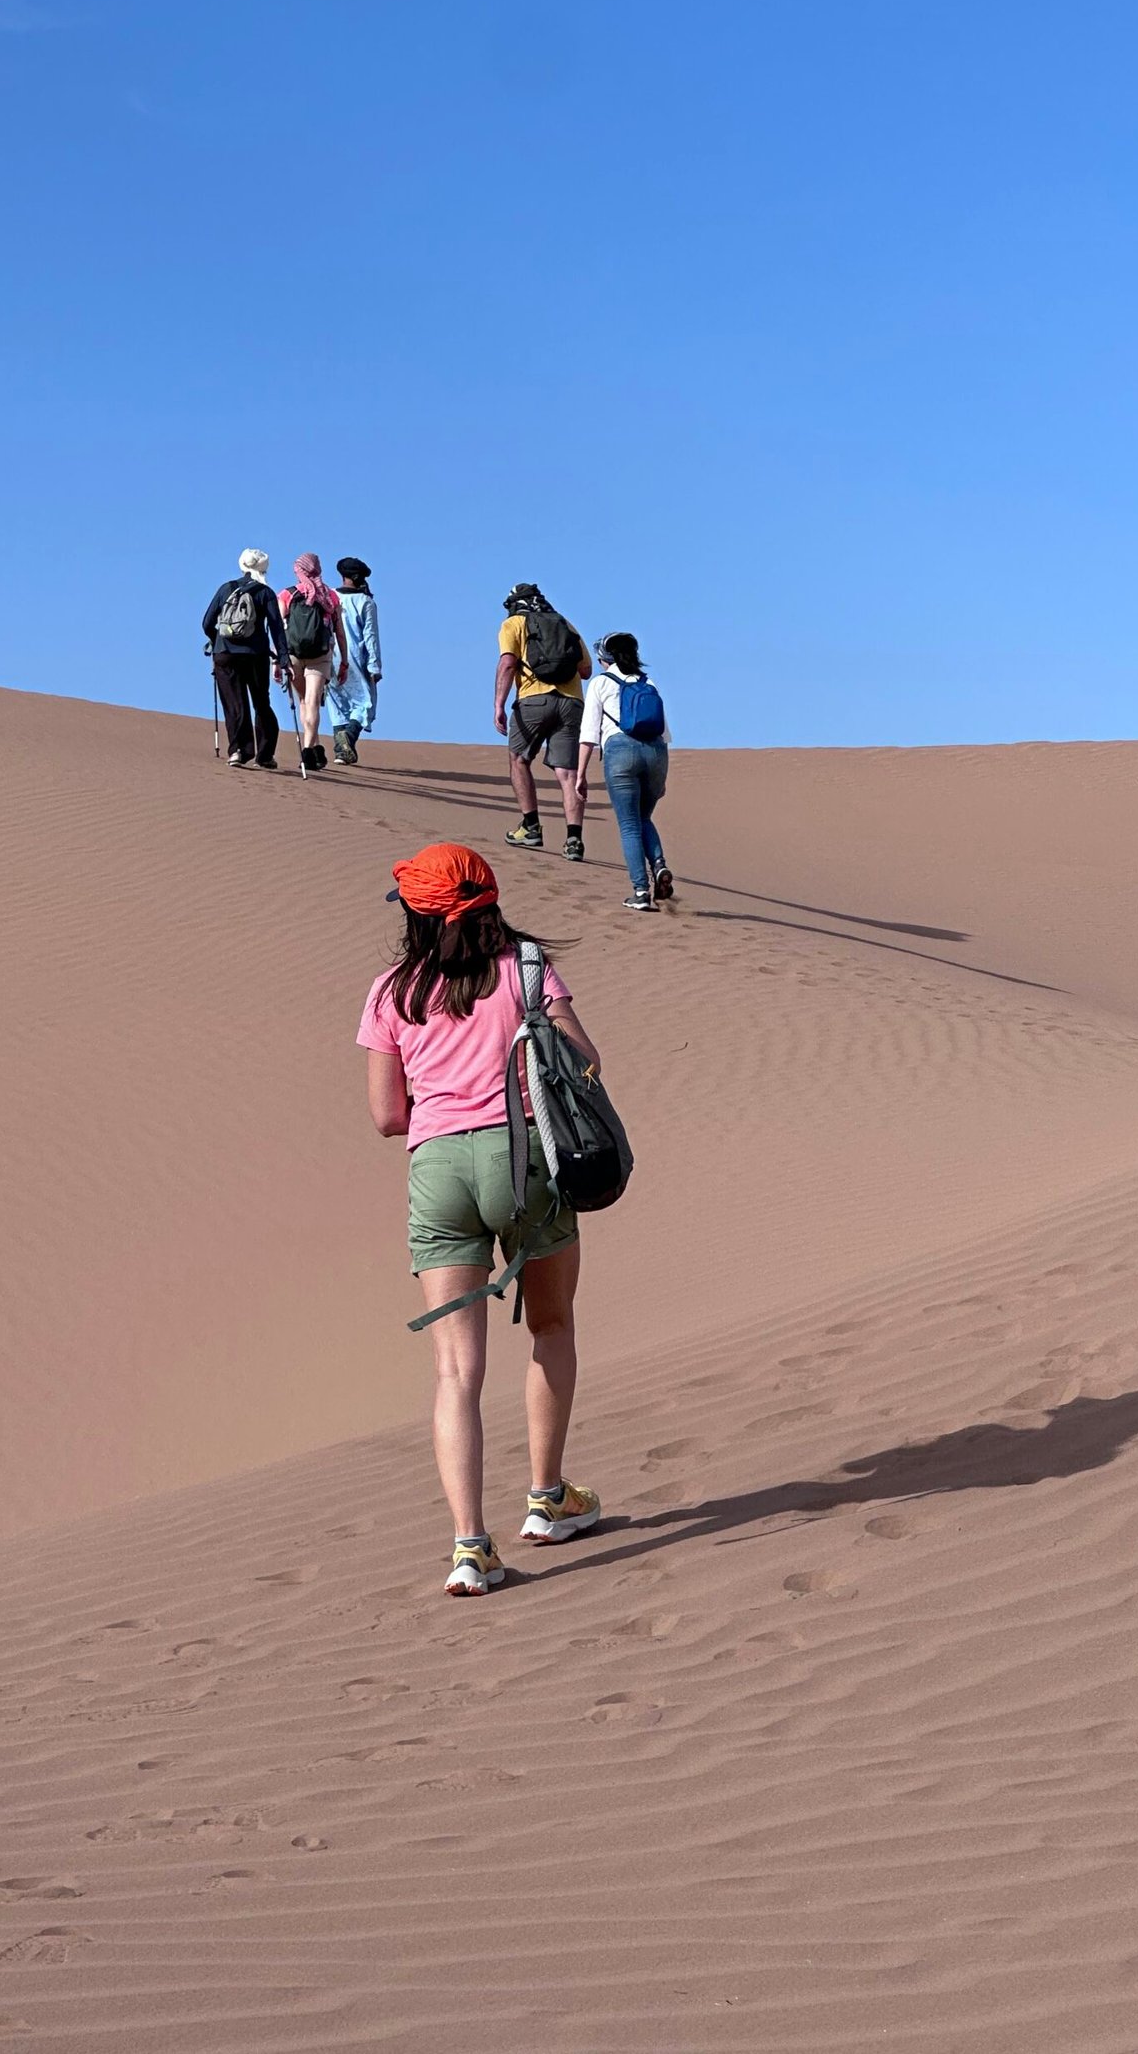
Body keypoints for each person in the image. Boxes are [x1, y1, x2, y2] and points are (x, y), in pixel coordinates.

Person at [358, 841, 603, 1596]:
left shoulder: (392, 991)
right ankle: (548, 1496)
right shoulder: (527, 969)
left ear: (418, 915)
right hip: (525, 1156)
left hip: (438, 1171)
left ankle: (470, 1546)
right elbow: (586, 1060)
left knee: (456, 1370)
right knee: (551, 1327)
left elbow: (385, 1116)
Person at [576, 633, 675, 913]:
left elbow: (588, 734)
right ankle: (659, 866)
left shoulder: (600, 683)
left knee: (630, 824)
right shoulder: (649, 683)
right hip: (656, 754)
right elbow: (664, 733)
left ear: (605, 658)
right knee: (643, 817)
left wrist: (581, 774)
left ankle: (641, 891)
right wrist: (662, 777)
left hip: (620, 751)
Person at [494, 583, 592, 860]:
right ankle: (574, 840)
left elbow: (508, 664)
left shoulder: (513, 624)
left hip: (533, 700)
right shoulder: (565, 623)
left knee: (519, 759)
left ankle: (531, 826)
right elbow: (585, 670)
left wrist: (498, 704)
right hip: (571, 703)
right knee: (569, 774)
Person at [201, 548, 291, 770]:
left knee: (234, 703)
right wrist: (283, 658)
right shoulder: (265, 593)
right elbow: (277, 627)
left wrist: (217, 642)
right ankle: (265, 754)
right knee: (261, 702)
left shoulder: (226, 589)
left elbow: (206, 622)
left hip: (225, 655)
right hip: (255, 654)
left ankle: (237, 751)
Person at [278, 553, 347, 772]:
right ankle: (310, 749)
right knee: (313, 701)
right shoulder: (331, 597)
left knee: (303, 702)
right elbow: (340, 632)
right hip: (321, 655)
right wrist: (344, 661)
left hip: (293, 654)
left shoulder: (288, 594)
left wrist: (276, 660)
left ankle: (311, 749)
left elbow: (279, 630)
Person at [328, 557, 381, 766]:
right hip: (355, 659)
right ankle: (347, 740)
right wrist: (375, 667)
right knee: (364, 704)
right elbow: (371, 636)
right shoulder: (366, 602)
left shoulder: (330, 597)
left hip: (329, 657)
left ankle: (341, 752)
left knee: (337, 704)